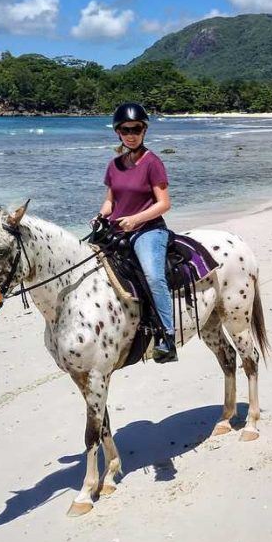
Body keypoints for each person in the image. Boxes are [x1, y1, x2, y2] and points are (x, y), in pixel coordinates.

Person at [97, 102, 176, 362]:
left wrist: (135, 220)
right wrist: (101, 215)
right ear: (118, 132)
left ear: (144, 130)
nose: (131, 134)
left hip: (148, 230)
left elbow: (164, 203)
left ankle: (167, 335)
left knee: (154, 276)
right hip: (118, 229)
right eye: (126, 129)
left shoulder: (153, 163)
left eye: (137, 129)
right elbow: (110, 201)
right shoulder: (114, 165)